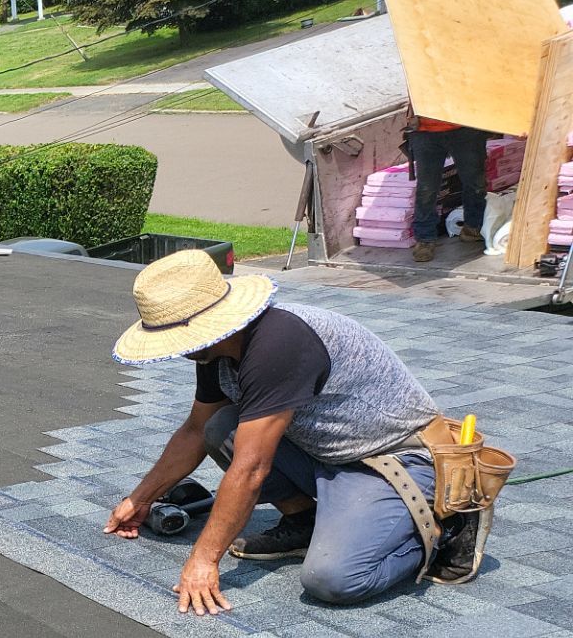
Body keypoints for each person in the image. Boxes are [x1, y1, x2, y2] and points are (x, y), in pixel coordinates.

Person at [103, 249, 466, 613]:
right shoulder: (217, 349)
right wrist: (141, 499)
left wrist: (203, 560)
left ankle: (441, 531)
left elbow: (251, 469)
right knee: (220, 426)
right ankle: (304, 519)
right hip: (328, 453)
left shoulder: (277, 344)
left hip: (395, 459)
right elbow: (195, 431)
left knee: (334, 579)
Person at [408, 117, 488, 264]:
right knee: (427, 188)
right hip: (426, 131)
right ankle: (424, 239)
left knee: (475, 183)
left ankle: (473, 227)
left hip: (465, 126)